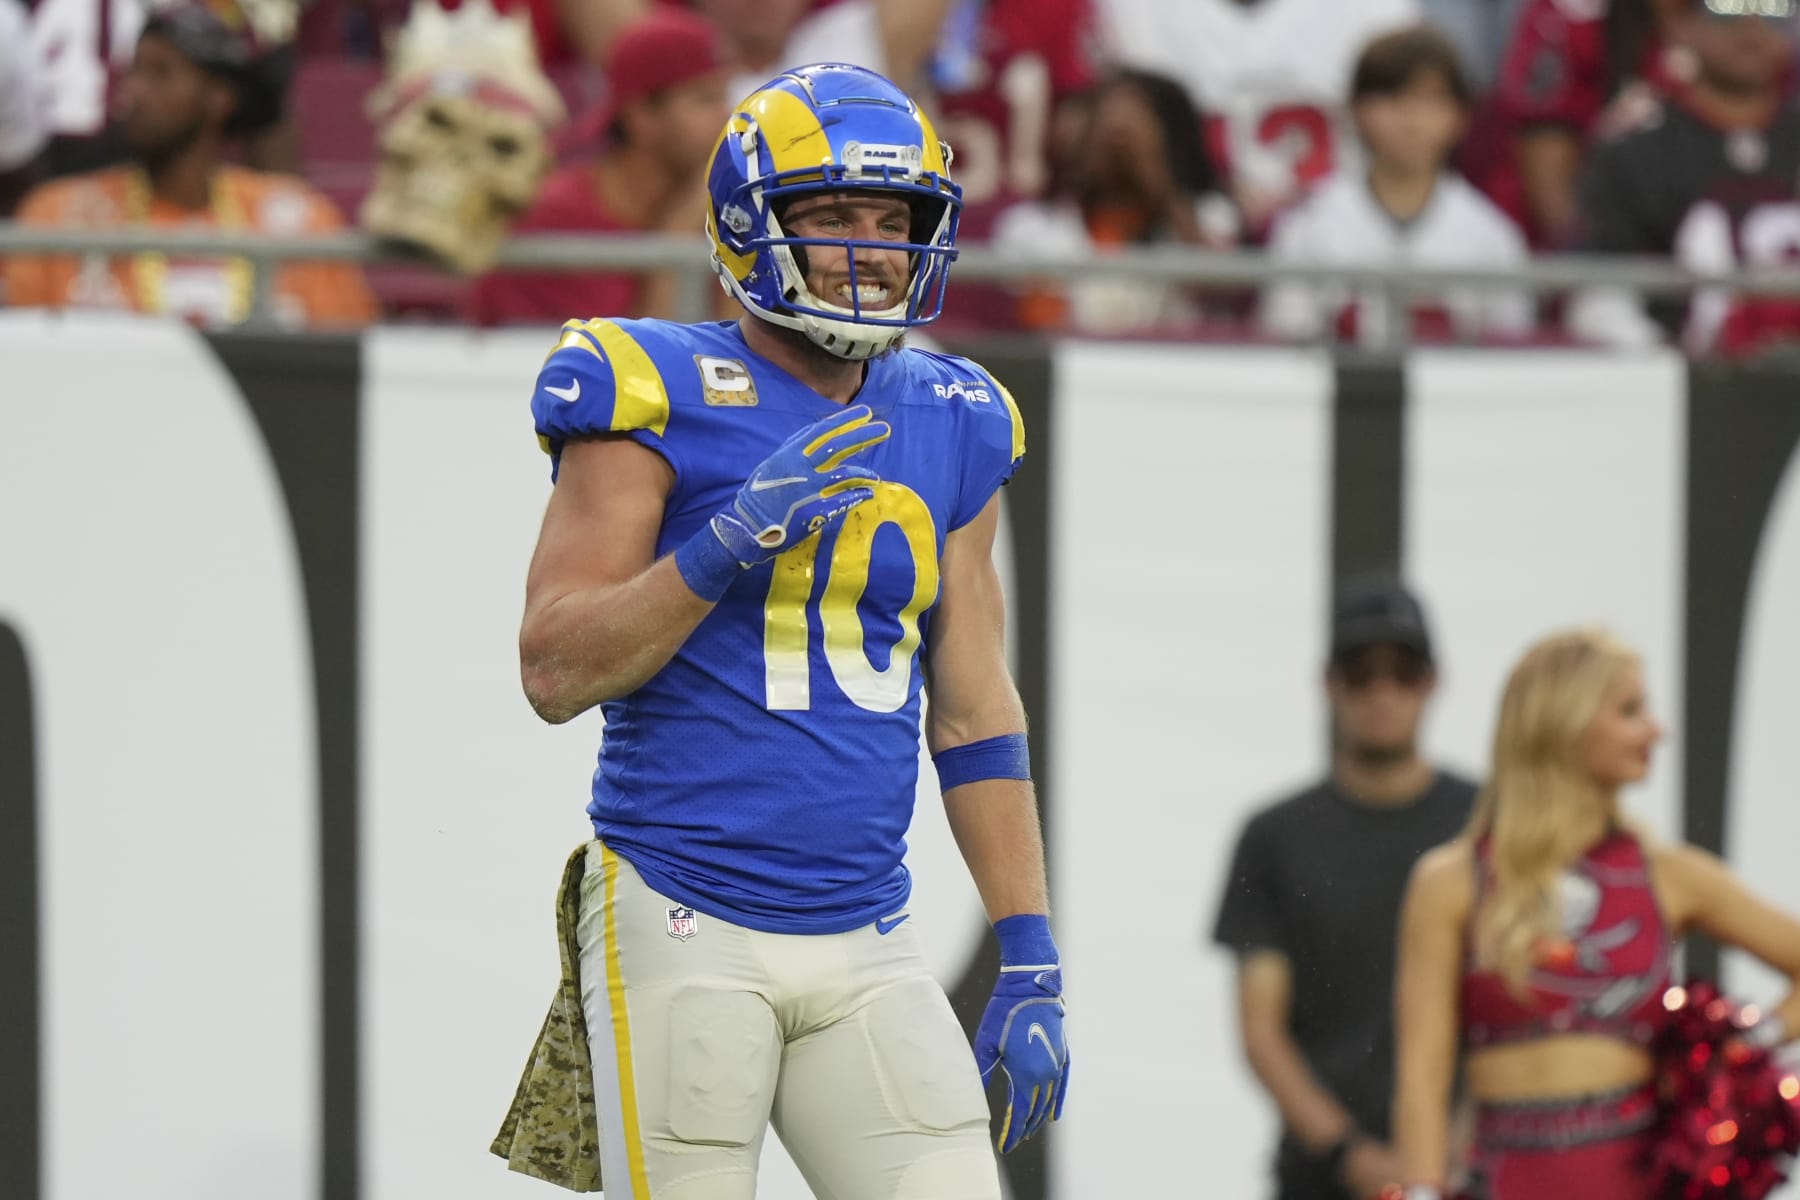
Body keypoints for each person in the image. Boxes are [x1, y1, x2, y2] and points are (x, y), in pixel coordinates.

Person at [509, 62, 1069, 1198]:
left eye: (890, 217)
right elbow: (555, 667)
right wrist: (722, 547)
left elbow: (971, 705)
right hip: (682, 908)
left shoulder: (955, 415)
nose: (870, 246)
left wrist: (1031, 950)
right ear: (748, 227)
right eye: (830, 216)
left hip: (868, 933)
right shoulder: (653, 384)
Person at [1391, 627, 1800, 1199]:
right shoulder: (1452, 880)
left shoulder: (1668, 874)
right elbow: (1422, 1072)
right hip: (1506, 1180)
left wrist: (1740, 1045)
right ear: (1564, 721)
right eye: (1630, 711)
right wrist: (1420, 1190)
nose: (1657, 731)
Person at [1213, 576, 1479, 1200]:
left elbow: (1511, 1004)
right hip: (1320, 1180)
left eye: (1403, 671)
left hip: (1468, 1172)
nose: (1382, 692)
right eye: (1361, 672)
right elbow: (1261, 1030)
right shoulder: (1274, 836)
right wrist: (1351, 1155)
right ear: (1330, 684)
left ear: (1431, 682)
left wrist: (1451, 1151)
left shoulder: (1486, 827)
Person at [4, 2, 375, 328]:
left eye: (160, 74)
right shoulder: (55, 216)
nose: (132, 93)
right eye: (133, 72)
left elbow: (343, 367)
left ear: (218, 98)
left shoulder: (299, 221)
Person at [1259, 25, 1533, 347]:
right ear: (1355, 109)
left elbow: (1512, 361)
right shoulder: (1309, 225)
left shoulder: (1490, 236)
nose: (1411, 117)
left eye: (1431, 98)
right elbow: (1282, 348)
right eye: (1392, 97)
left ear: (1461, 114)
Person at [1564, 0, 1800, 356]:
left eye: (1773, 7)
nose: (1751, 27)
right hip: (1679, 386)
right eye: (1727, 7)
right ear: (1682, 25)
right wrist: (1666, 365)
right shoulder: (1634, 152)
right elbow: (1599, 294)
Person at [469, 8, 732, 325]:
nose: (726, 116)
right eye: (706, 99)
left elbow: (750, 356)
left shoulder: (724, 207)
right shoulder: (555, 218)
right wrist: (676, 236)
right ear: (641, 117)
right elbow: (625, 367)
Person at [991, 66, 1236, 335]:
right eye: (1103, 126)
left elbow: (1216, 294)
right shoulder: (1031, 227)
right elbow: (1032, 331)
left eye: (1138, 128)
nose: (1117, 147)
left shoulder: (1211, 215)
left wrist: (1156, 179)